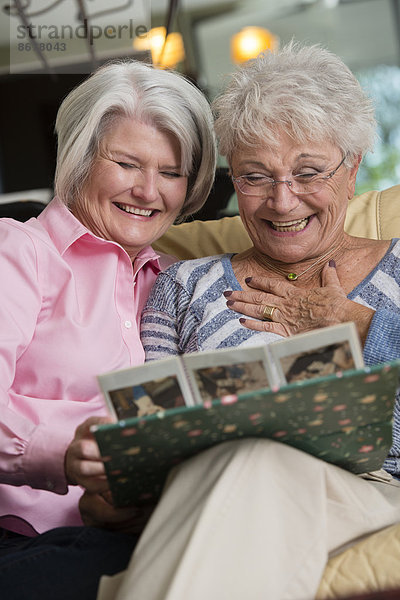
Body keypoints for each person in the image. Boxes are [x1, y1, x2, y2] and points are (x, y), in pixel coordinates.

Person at [94, 43, 400, 600]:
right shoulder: (182, 287)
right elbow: (154, 422)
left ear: (352, 169)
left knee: (252, 459)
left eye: (308, 173)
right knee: (239, 460)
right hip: (208, 489)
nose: (282, 202)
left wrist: (362, 327)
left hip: (367, 493)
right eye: (257, 177)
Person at [0, 58, 216, 599]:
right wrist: (61, 452)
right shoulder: (20, 252)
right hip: (23, 536)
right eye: (126, 163)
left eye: (171, 173)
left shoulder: (177, 283)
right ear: (78, 159)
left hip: (137, 528)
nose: (149, 191)